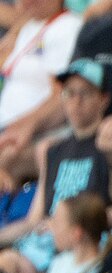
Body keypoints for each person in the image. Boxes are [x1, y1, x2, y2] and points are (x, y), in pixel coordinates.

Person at [0, 57, 112, 273]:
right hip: (44, 246)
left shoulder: (109, 145)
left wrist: (72, 226)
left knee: (6, 264)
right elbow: (33, 221)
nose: (76, 101)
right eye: (69, 93)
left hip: (85, 245)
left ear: (103, 99)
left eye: (84, 93)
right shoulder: (52, 150)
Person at [0, 0, 82, 185]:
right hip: (8, 127)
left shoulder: (68, 27)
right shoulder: (29, 27)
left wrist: (26, 125)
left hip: (37, 132)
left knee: (7, 155)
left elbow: (61, 95)